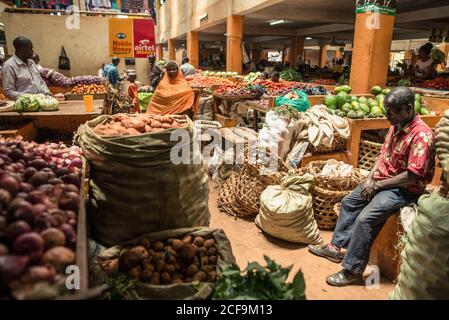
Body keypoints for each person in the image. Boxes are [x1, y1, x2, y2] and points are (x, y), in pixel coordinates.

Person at [308, 87, 436, 287]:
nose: (387, 116)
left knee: (365, 220)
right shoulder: (397, 123)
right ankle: (335, 248)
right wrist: (369, 179)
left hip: (404, 189)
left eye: (391, 112)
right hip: (382, 181)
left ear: (409, 108)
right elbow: (383, 156)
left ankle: (352, 271)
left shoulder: (422, 136)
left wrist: (378, 185)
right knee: (349, 202)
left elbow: (413, 175)